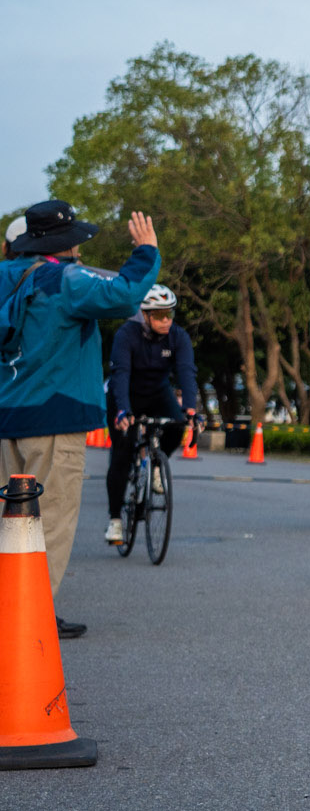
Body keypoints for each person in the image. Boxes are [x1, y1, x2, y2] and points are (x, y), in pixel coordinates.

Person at [0, 201, 160, 640]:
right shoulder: (66, 279)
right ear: (65, 243)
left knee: (9, 521)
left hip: (7, 417)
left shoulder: (5, 275)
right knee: (49, 520)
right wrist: (146, 251)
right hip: (55, 416)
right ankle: (30, 619)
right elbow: (125, 294)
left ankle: (11, 609)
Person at [103, 284, 200, 546]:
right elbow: (120, 374)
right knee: (122, 453)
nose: (166, 320)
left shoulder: (178, 336)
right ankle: (115, 520)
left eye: (170, 314)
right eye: (159, 315)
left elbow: (186, 371)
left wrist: (191, 409)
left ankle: (156, 465)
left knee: (177, 425)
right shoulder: (127, 335)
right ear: (145, 315)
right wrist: (123, 410)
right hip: (126, 394)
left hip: (158, 393)